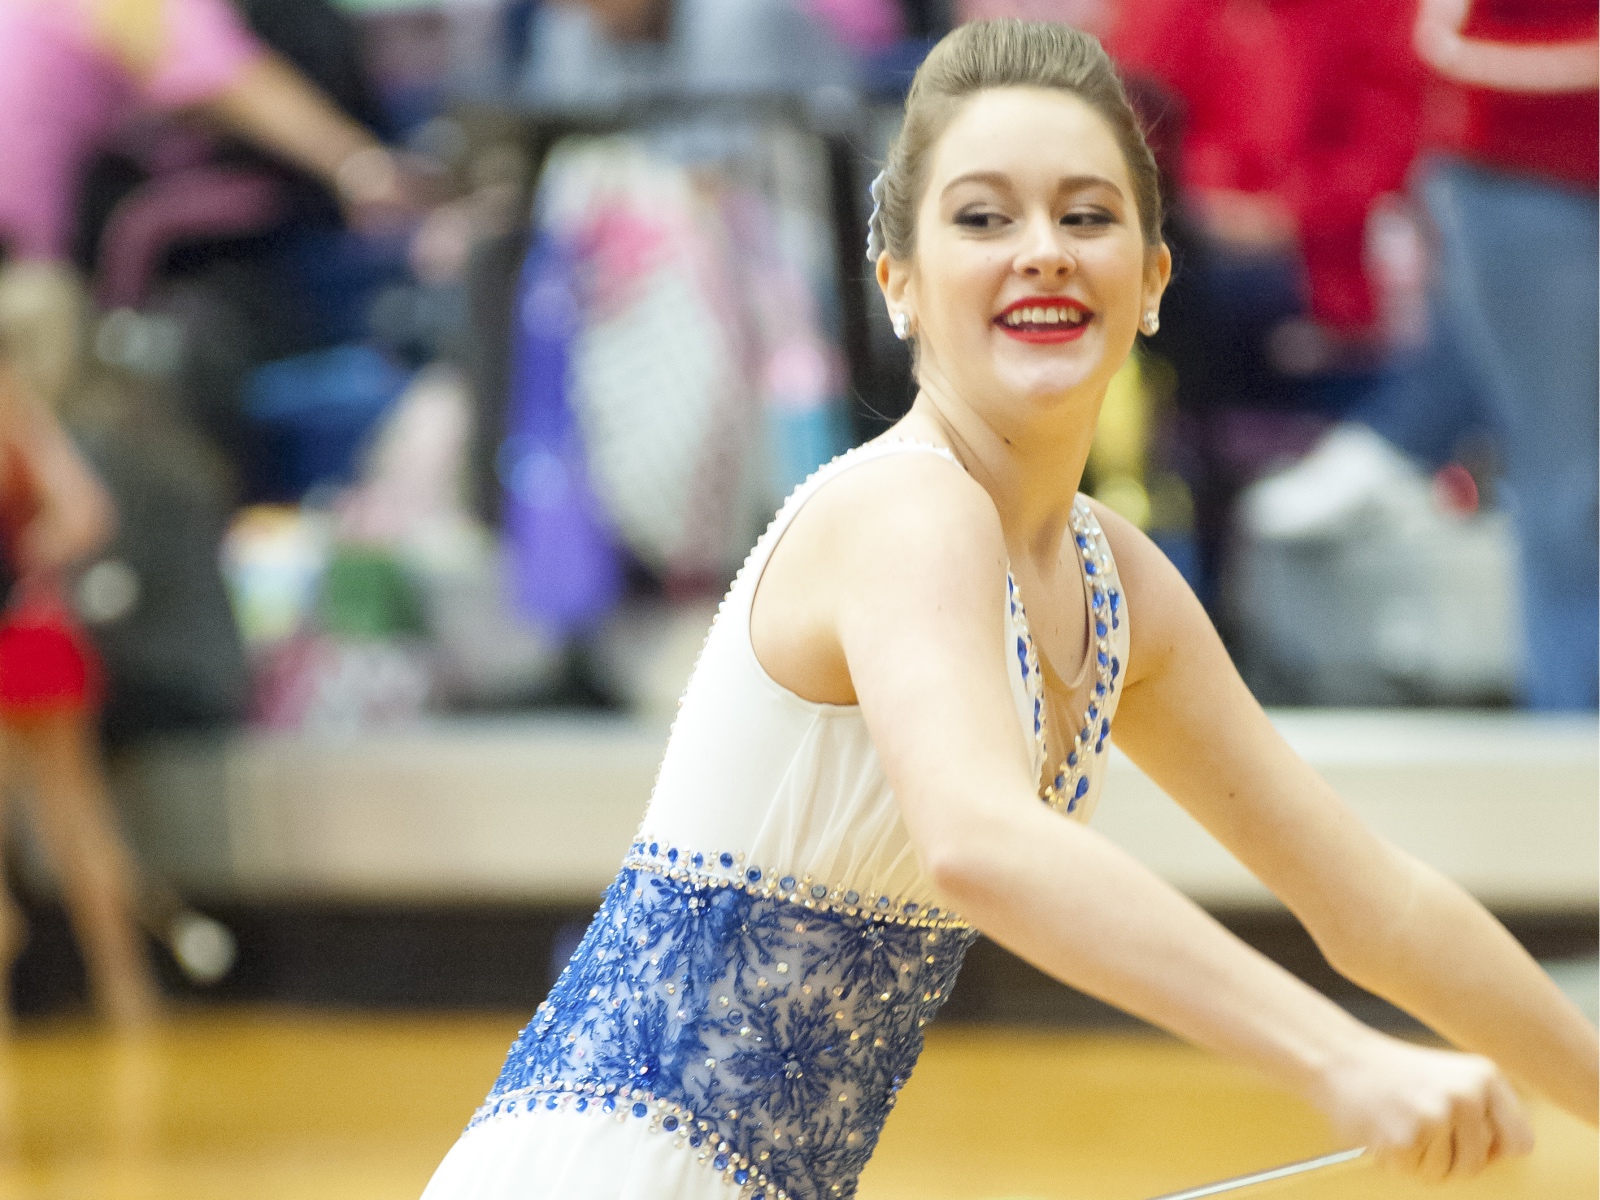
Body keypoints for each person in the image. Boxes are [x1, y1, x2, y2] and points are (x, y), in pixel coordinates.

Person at [421, 21, 1597, 1199]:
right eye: (983, 220)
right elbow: (981, 840)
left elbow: (1375, 904)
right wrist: (1341, 1060)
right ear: (899, 282)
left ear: (1150, 281)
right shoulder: (905, 510)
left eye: (1087, 217)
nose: (1041, 252)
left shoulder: (1119, 583)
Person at [1241, 0, 1599, 711]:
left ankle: (1393, 439)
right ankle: (1577, 761)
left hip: (1527, 162)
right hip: (1531, 167)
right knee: (1575, 494)